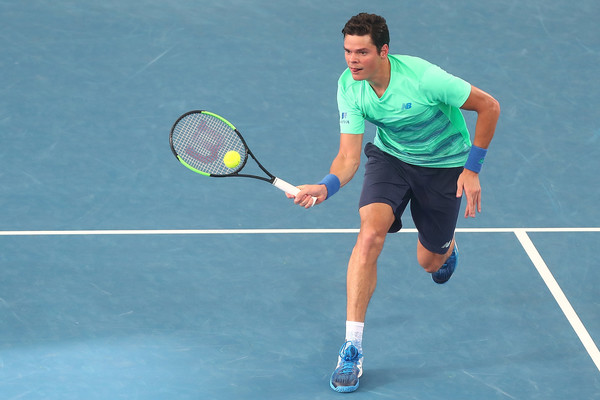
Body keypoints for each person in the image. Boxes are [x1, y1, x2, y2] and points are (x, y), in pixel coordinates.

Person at [290, 13, 500, 393]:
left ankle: (446, 247)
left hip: (444, 166)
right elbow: (349, 158)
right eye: (347, 52)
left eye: (362, 52)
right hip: (392, 161)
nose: (352, 60)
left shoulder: (424, 79)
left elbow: (489, 106)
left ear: (383, 51)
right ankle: (352, 347)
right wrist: (326, 186)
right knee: (369, 236)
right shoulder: (349, 87)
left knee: (429, 263)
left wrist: (473, 169)